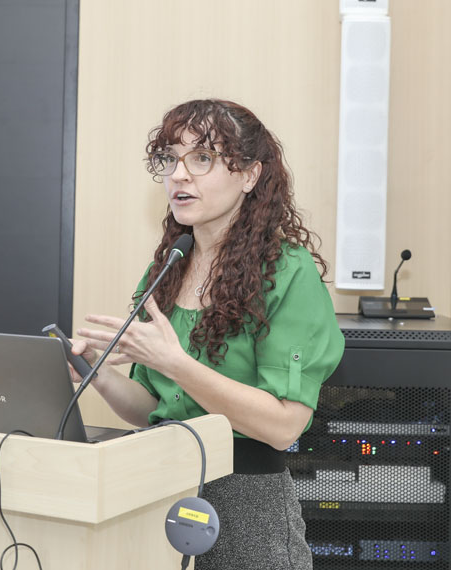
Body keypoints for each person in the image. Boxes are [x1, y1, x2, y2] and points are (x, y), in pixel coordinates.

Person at [70, 99, 345, 570]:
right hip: (158, 492)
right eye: (170, 158)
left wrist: (176, 363)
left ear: (250, 175)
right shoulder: (168, 268)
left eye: (202, 158)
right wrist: (97, 373)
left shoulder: (288, 272)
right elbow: (152, 410)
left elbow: (283, 427)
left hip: (247, 507)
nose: (179, 175)